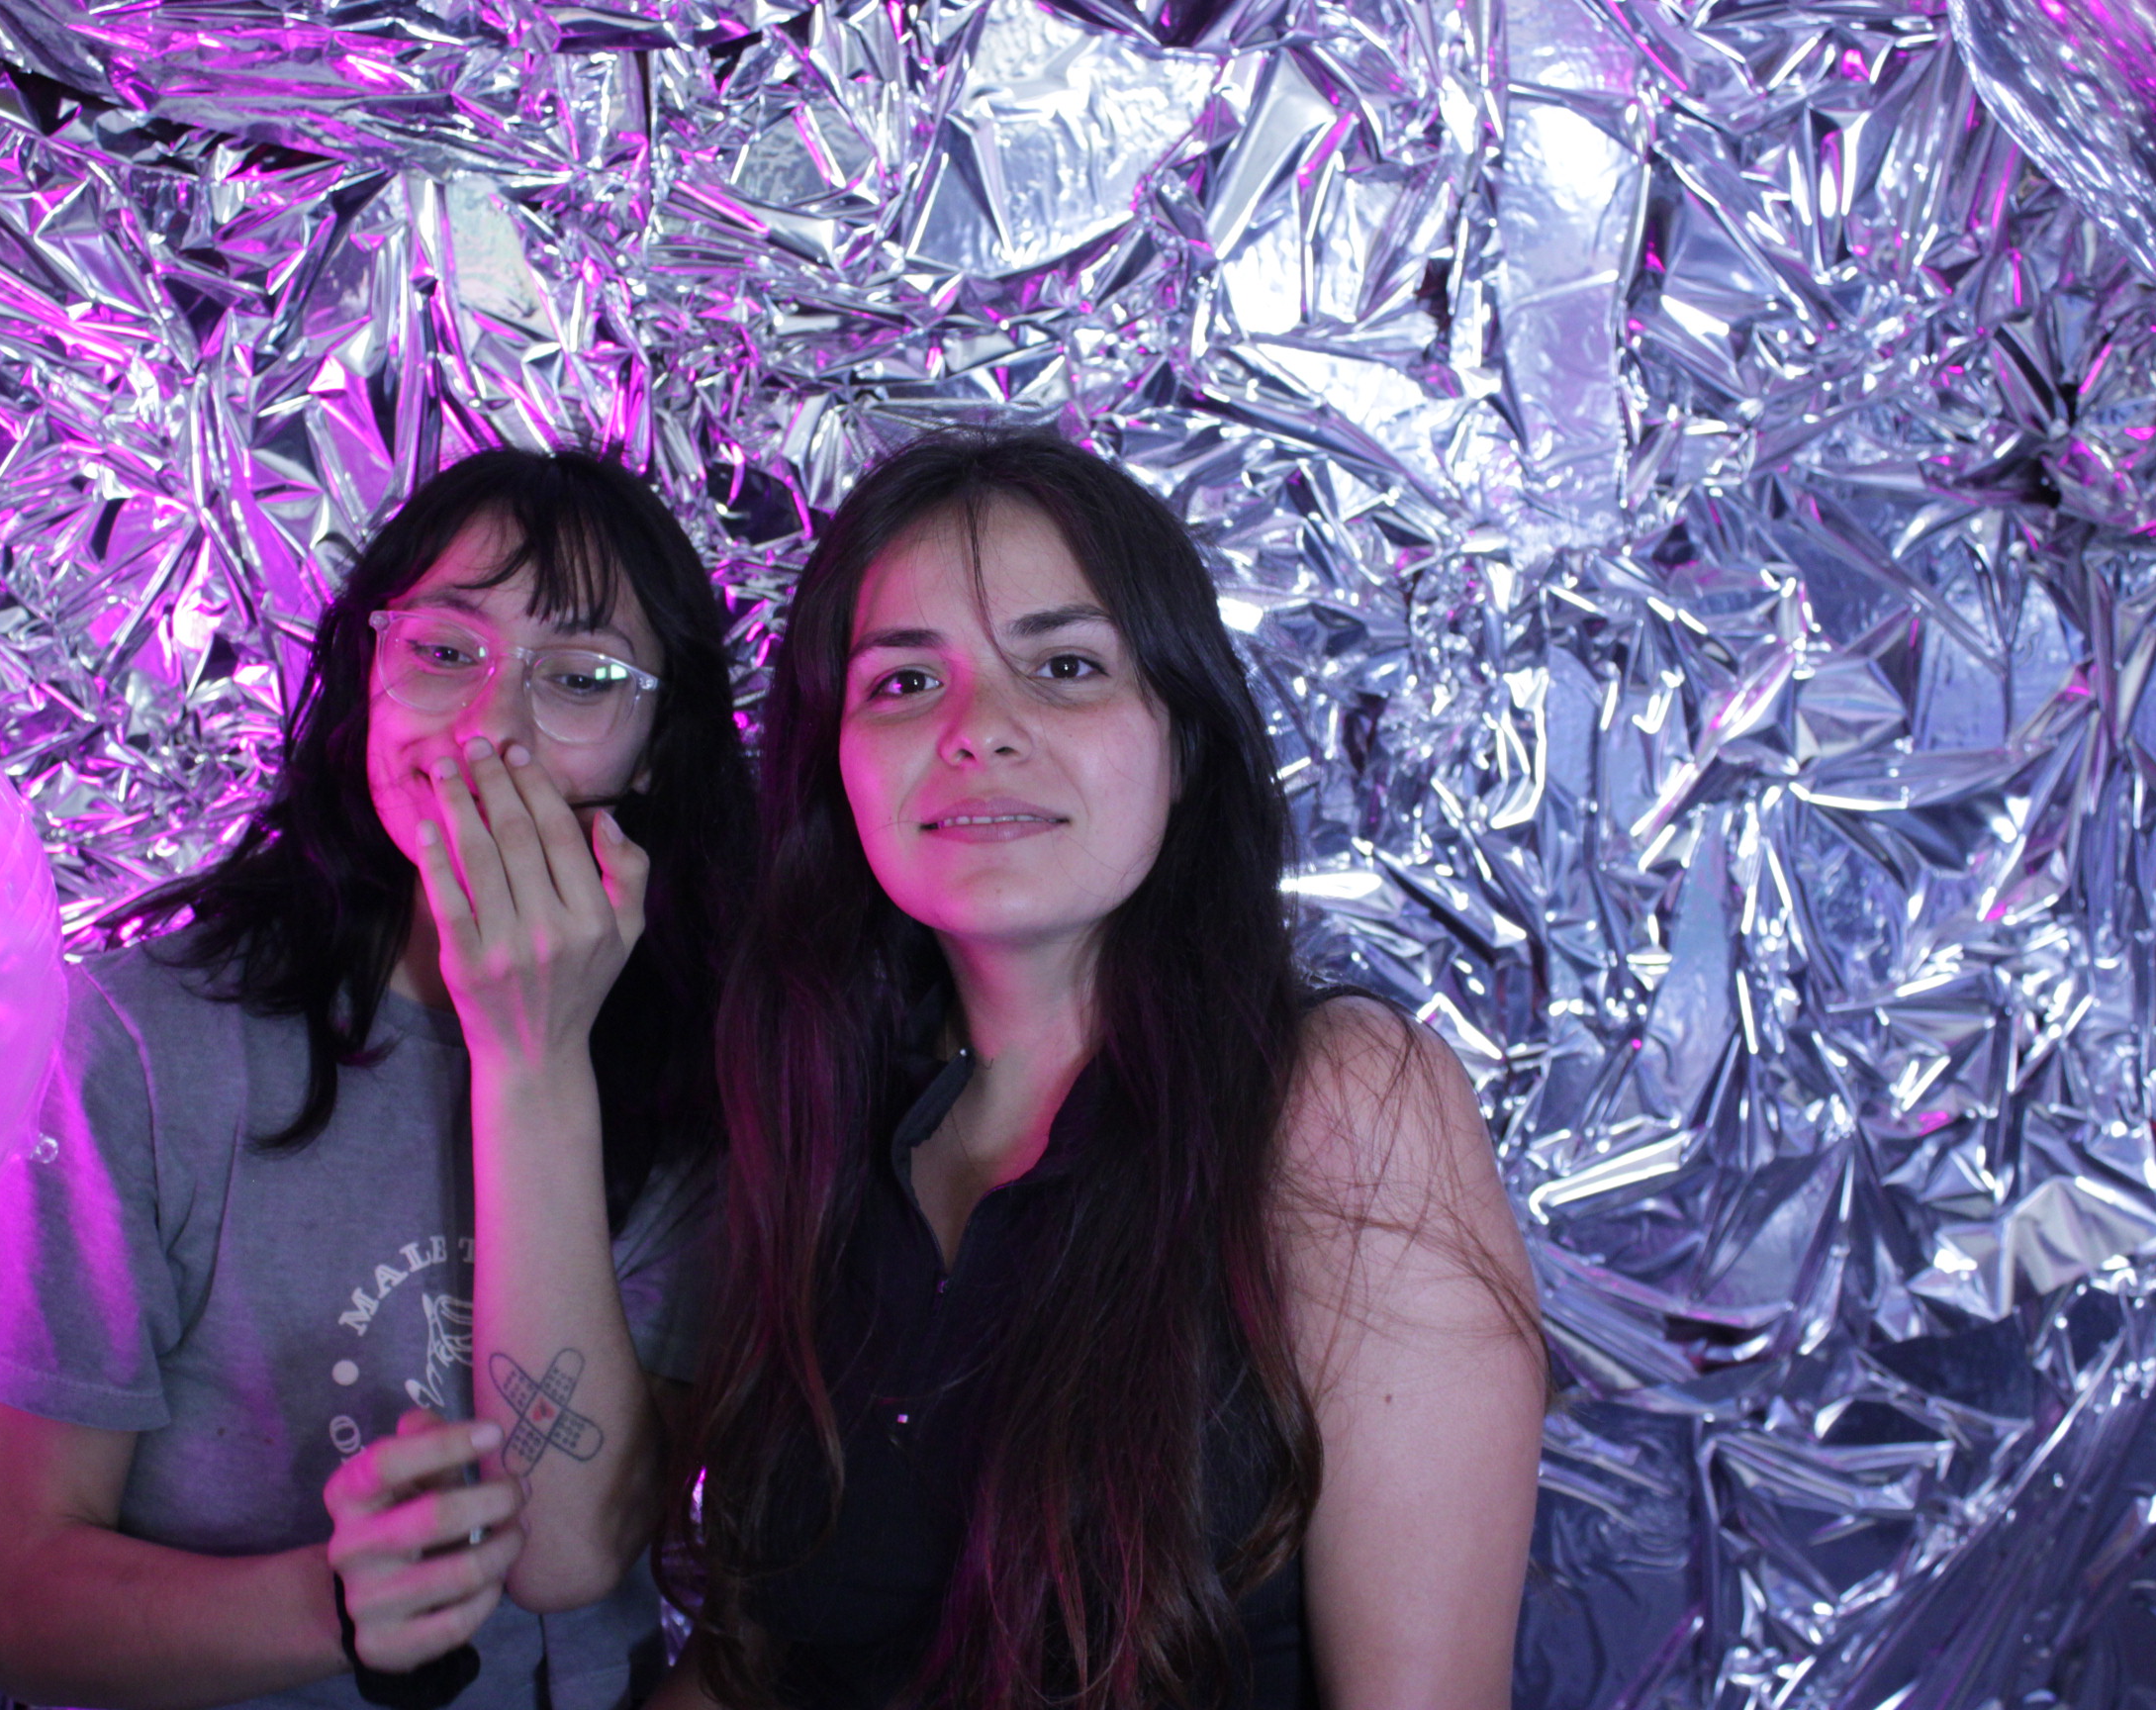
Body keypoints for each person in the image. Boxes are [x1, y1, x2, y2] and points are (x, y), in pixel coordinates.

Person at [655, 430, 1546, 1710]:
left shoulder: (1340, 1105)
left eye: (1066, 667)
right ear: (834, 766)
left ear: (1183, 745)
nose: (978, 730)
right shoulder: (821, 1123)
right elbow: (754, 1669)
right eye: (906, 681)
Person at [0, 446, 751, 1710]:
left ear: (655, 754)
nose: (490, 727)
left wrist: (532, 1056)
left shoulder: (717, 1080)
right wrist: (335, 1603)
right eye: (445, 651)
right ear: (369, 676)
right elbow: (25, 1612)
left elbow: (572, 1552)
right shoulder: (128, 1049)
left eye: (580, 678)